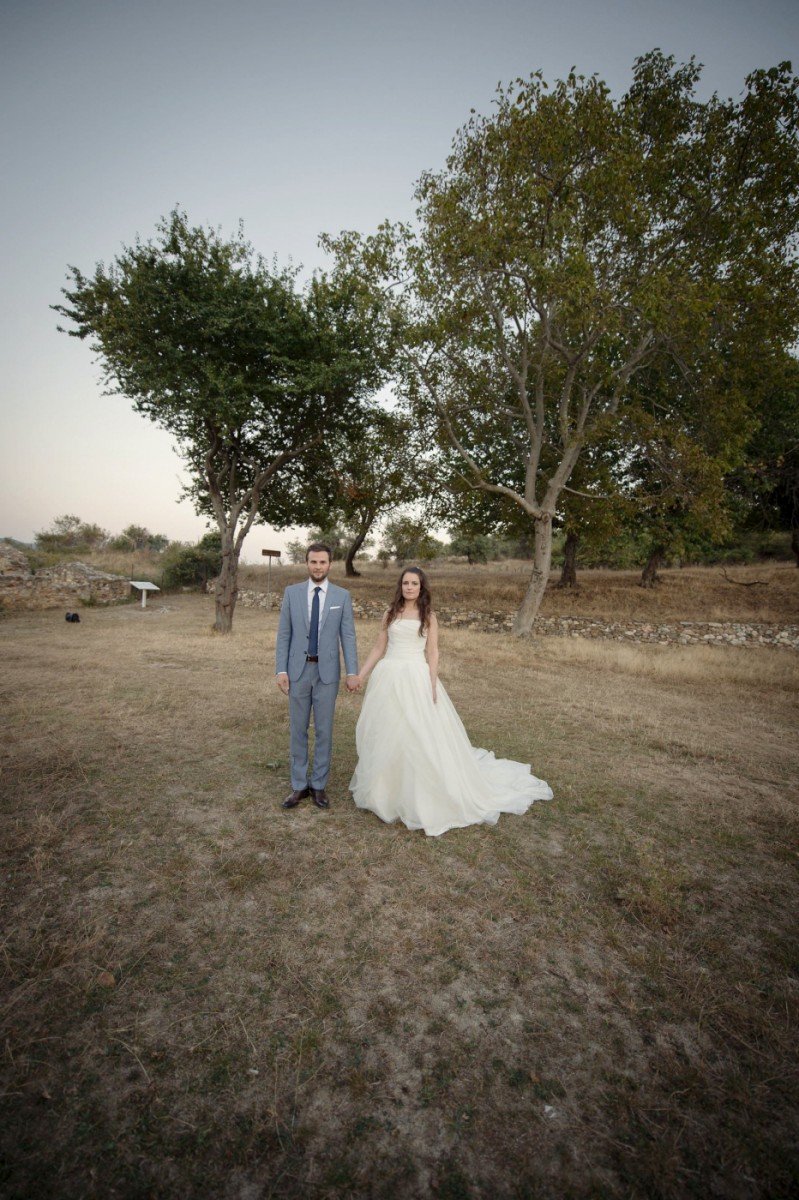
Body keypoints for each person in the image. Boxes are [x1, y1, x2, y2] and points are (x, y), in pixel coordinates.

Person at [349, 567, 553, 836]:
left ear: (421, 587)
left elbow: (433, 652)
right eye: (406, 583)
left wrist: (432, 683)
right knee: (388, 730)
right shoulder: (390, 613)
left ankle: (419, 791)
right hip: (388, 676)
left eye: (414, 583)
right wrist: (360, 675)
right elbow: (379, 647)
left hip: (415, 676)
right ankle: (385, 789)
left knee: (418, 733)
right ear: (400, 586)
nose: (409, 587)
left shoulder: (428, 616)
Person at [275, 543, 359, 810]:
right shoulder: (292, 593)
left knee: (324, 730)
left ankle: (319, 785)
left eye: (323, 562)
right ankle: (299, 785)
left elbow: (348, 636)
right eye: (313, 562)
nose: (318, 567)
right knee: (298, 729)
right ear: (307, 563)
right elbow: (284, 634)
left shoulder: (342, 596)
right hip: (298, 672)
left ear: (330, 564)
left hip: (327, 674)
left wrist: (352, 671)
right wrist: (281, 670)